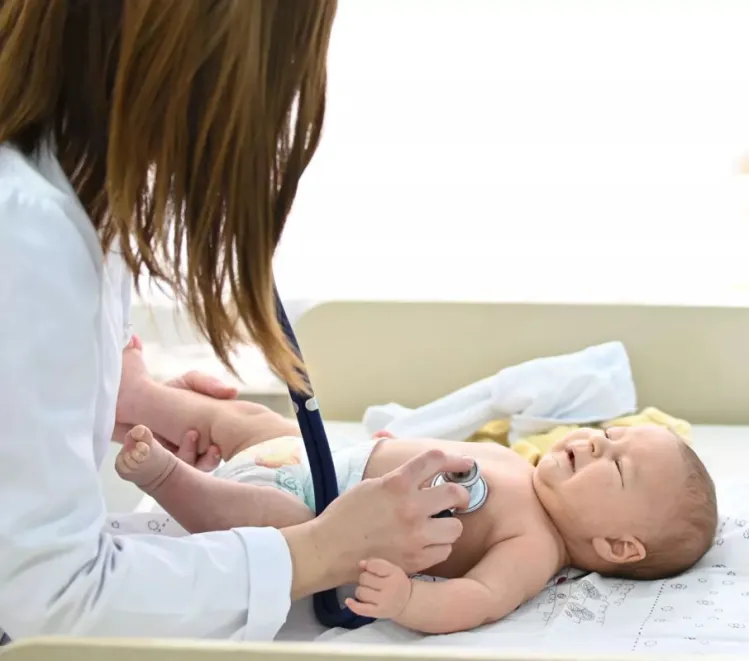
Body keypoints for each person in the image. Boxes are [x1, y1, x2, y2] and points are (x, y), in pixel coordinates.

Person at [0, 0, 471, 643]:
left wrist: (106, 395)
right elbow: (50, 602)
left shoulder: (55, 202)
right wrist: (319, 552)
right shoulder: (26, 231)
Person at [113, 340, 719, 635]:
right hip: (322, 457)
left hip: (319, 513)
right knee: (250, 421)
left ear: (617, 546)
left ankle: (167, 478)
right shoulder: (524, 465)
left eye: (615, 467)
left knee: (271, 519)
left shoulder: (535, 545)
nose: (592, 443)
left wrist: (406, 600)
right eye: (608, 435)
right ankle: (138, 396)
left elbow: (479, 598)